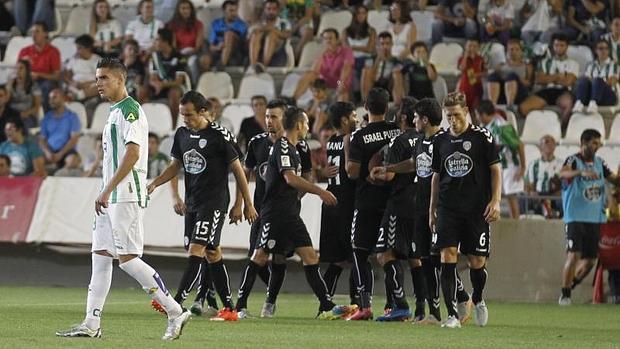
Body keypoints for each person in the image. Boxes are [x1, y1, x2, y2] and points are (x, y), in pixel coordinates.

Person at [56, 58, 191, 340]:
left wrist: (107, 190)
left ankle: (175, 311)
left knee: (128, 260)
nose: (98, 83)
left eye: (104, 77)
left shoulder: (130, 111)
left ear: (120, 79)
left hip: (126, 195)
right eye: (97, 78)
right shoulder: (114, 111)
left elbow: (132, 153)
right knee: (101, 257)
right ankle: (91, 324)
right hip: (111, 196)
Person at [234, 106, 354, 319]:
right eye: (307, 123)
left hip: (290, 213)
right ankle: (239, 307)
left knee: (309, 256)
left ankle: (326, 306)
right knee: (260, 256)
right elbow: (290, 178)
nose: (308, 127)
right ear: (299, 125)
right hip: (276, 212)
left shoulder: (295, 147)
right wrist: (319, 191)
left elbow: (300, 176)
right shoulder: (283, 146)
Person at [147, 90, 257, 321]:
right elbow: (175, 166)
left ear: (204, 112)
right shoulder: (182, 133)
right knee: (212, 253)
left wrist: (245, 203)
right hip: (193, 202)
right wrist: (156, 183)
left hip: (214, 202)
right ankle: (229, 308)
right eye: (182, 115)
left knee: (195, 250)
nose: (186, 119)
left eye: (190, 115)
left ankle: (175, 303)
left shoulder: (220, 135)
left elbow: (239, 171)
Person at [371, 97, 473, 325]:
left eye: (416, 117)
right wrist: (388, 167)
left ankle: (459, 301)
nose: (413, 120)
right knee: (425, 261)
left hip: (438, 209)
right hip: (420, 208)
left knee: (438, 261)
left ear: (425, 119)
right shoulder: (421, 140)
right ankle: (435, 314)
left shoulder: (445, 141)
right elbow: (414, 163)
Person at [234, 99, 313, 318]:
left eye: (274, 116)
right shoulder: (257, 142)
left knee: (279, 257)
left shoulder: (301, 145)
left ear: (285, 118)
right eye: (267, 116)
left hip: (285, 211)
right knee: (256, 256)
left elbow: (306, 175)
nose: (269, 120)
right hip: (260, 210)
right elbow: (245, 173)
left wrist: (291, 198)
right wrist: (242, 204)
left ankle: (270, 302)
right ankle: (240, 306)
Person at [429, 91, 501, 328]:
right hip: (448, 207)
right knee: (446, 256)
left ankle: (478, 298)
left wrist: (496, 200)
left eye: (456, 115)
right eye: (448, 116)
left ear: (466, 112)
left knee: (476, 261)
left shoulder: (482, 137)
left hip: (476, 209)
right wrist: (432, 209)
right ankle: (452, 315)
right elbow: (436, 177)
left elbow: (495, 170)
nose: (452, 120)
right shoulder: (440, 140)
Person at [346, 87, 401, 321]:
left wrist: (348, 146)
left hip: (367, 201)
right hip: (392, 202)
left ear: (365, 107)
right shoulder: (396, 132)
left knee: (360, 252)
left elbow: (352, 172)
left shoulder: (359, 136)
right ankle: (393, 304)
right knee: (390, 255)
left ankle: (365, 305)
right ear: (387, 107)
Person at [367, 96, 422, 322]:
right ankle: (422, 308)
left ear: (402, 117)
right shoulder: (425, 139)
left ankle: (400, 305)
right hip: (420, 203)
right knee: (415, 257)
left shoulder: (399, 141)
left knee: (384, 253)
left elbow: (389, 175)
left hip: (399, 204)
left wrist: (375, 170)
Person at [558, 129, 620, 306]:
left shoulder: (600, 162)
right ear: (583, 143)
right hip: (575, 217)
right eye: (594, 143)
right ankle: (565, 295)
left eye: (598, 143)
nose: (597, 146)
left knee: (590, 261)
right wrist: (580, 173)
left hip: (595, 218)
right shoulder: (573, 160)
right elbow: (562, 173)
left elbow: (614, 179)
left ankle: (569, 286)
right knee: (574, 255)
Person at [319, 102, 357, 304]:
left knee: (337, 260)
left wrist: (324, 172)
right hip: (346, 204)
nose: (356, 119)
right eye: (353, 115)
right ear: (344, 120)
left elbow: (329, 169)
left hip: (331, 202)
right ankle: (357, 302)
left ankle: (324, 302)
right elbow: (351, 171)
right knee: (355, 258)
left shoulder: (332, 140)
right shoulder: (349, 139)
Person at [477, 100, 525, 219]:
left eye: (477, 114)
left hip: (509, 165)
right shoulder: (485, 127)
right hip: (496, 167)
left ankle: (515, 224)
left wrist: (522, 167)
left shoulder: (502, 126)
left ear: (482, 114)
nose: (477, 118)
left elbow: (519, 145)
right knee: (495, 195)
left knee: (510, 196)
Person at [519, 33, 578, 125]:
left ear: (567, 47)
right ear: (552, 46)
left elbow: (568, 81)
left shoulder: (573, 63)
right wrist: (559, 76)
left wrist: (549, 77)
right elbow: (539, 79)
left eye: (562, 45)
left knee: (568, 105)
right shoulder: (544, 62)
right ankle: (542, 125)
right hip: (546, 90)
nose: (558, 48)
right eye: (556, 45)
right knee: (523, 108)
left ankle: (560, 130)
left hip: (562, 91)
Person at [293, 28, 355, 102]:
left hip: (339, 82)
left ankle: (341, 109)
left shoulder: (346, 51)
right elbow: (314, 72)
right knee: (309, 74)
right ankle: (293, 100)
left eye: (330, 38)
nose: (328, 41)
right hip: (325, 83)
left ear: (337, 40)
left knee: (342, 88)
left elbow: (346, 69)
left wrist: (340, 86)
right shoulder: (323, 53)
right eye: (325, 39)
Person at [17, 21, 61, 110]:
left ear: (45, 34)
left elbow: (57, 76)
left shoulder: (53, 52)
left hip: (44, 82)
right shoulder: (24, 51)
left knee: (47, 86)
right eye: (32, 32)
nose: (34, 35)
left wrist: (39, 75)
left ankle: (44, 115)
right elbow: (18, 71)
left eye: (37, 31)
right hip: (27, 81)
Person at [149, 28, 187, 125]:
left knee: (174, 93)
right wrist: (156, 84)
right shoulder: (155, 57)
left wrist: (162, 85)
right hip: (159, 87)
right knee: (142, 91)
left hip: (175, 87)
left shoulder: (180, 56)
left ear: (165, 42)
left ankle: (173, 125)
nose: (155, 42)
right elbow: (152, 78)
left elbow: (179, 81)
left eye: (157, 40)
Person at [39, 89, 82, 171]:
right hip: (50, 151)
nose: (51, 101)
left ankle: (58, 174)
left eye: (54, 98)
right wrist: (47, 152)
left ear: (63, 99)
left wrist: (60, 154)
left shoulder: (72, 117)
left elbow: (74, 139)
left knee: (72, 161)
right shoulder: (46, 118)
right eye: (50, 98)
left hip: (66, 151)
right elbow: (42, 140)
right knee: (37, 160)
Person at [573, 39, 619, 114]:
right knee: (583, 80)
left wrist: (596, 81)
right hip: (591, 93)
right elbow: (586, 80)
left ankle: (594, 102)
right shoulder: (590, 65)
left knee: (598, 80)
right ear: (596, 50)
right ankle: (579, 102)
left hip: (607, 95)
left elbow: (612, 81)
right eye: (601, 48)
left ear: (608, 50)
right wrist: (602, 80)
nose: (603, 51)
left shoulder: (615, 65)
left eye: (606, 48)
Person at [486, 39, 533, 109]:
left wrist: (517, 79)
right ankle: (492, 105)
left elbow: (529, 84)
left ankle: (510, 105)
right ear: (507, 52)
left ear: (521, 52)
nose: (514, 52)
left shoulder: (527, 66)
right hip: (503, 93)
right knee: (493, 76)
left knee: (512, 76)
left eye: (517, 49)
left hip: (519, 93)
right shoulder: (501, 66)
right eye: (511, 49)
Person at [524, 135, 563, 218]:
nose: (548, 145)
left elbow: (565, 184)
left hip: (555, 195)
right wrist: (531, 192)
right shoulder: (533, 164)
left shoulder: (561, 164)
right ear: (540, 147)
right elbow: (527, 184)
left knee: (562, 199)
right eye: (546, 142)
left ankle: (549, 211)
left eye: (551, 142)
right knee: (522, 199)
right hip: (538, 194)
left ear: (554, 146)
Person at [202, 0, 248, 71]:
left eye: (236, 10)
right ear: (224, 10)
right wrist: (218, 47)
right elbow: (211, 47)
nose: (234, 13)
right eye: (231, 10)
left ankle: (222, 65)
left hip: (235, 52)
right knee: (204, 59)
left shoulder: (242, 25)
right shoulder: (216, 24)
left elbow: (243, 46)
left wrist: (227, 43)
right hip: (218, 51)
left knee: (229, 35)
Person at [248, 0, 292, 69]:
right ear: (264, 10)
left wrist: (271, 29)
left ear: (278, 10)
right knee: (255, 35)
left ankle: (263, 67)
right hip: (260, 51)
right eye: (268, 9)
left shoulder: (284, 22)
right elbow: (249, 34)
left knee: (271, 36)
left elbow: (287, 35)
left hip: (278, 52)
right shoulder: (260, 22)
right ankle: (253, 66)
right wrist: (262, 28)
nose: (271, 12)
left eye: (274, 9)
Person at [361, 32, 400, 101]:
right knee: (365, 71)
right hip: (374, 86)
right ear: (378, 45)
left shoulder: (396, 60)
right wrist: (378, 60)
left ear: (392, 44)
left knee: (397, 73)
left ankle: (397, 103)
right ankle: (366, 101)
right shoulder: (371, 59)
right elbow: (370, 77)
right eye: (382, 44)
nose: (385, 47)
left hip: (389, 86)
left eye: (387, 44)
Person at [343, 5, 377, 80]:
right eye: (358, 13)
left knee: (366, 65)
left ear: (366, 15)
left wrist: (352, 47)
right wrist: (362, 48)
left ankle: (361, 89)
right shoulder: (346, 31)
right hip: (351, 59)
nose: (361, 15)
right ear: (354, 15)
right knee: (342, 74)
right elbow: (345, 48)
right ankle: (339, 86)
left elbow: (370, 49)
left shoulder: (371, 30)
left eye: (363, 13)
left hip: (367, 58)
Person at [65, 35, 101, 102]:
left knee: (100, 87)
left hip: (91, 85)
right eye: (77, 48)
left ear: (88, 48)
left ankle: (79, 96)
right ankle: (80, 96)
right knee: (68, 88)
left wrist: (86, 84)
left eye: (80, 48)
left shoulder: (97, 60)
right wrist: (74, 83)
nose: (77, 51)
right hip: (75, 85)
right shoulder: (73, 59)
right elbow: (66, 76)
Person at [8, 60, 42, 129]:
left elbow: (37, 107)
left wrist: (25, 113)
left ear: (27, 70)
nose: (18, 70)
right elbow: (6, 101)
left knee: (25, 124)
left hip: (27, 114)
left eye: (21, 68)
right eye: (16, 68)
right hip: (13, 113)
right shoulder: (11, 83)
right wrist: (9, 87)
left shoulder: (34, 86)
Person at [457, 38, 486, 111]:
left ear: (478, 48)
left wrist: (478, 75)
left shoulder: (480, 59)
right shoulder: (462, 58)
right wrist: (466, 56)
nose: (472, 48)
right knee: (464, 109)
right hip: (465, 87)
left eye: (474, 46)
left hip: (477, 87)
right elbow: (462, 68)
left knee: (476, 109)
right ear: (465, 47)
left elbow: (485, 72)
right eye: (469, 46)